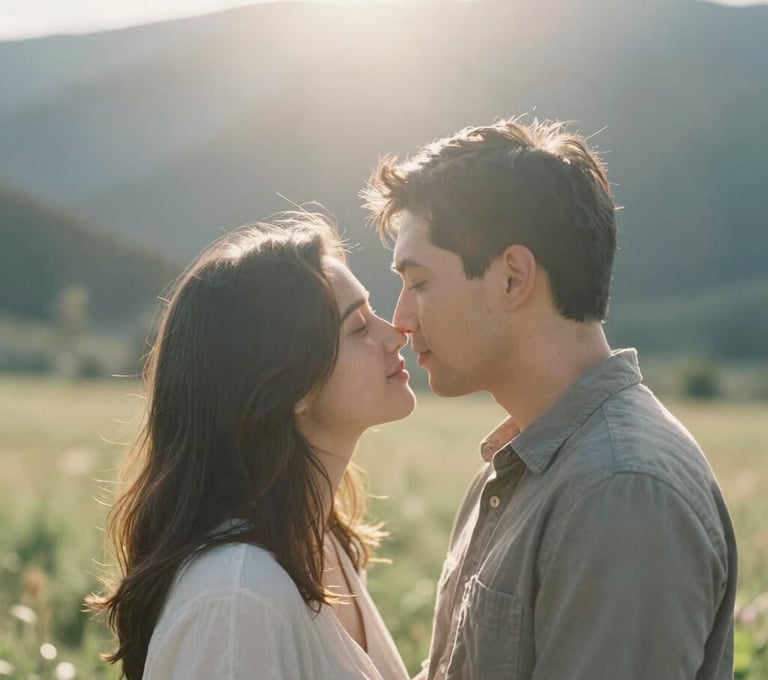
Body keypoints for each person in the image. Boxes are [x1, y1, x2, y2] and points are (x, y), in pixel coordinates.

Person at [363, 118, 737, 680]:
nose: (401, 320)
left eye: (418, 283)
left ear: (513, 278)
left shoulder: (621, 491)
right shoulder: (524, 466)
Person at [88, 214, 414, 680]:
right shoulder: (235, 599)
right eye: (359, 327)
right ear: (294, 383)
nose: (394, 334)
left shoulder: (322, 542)